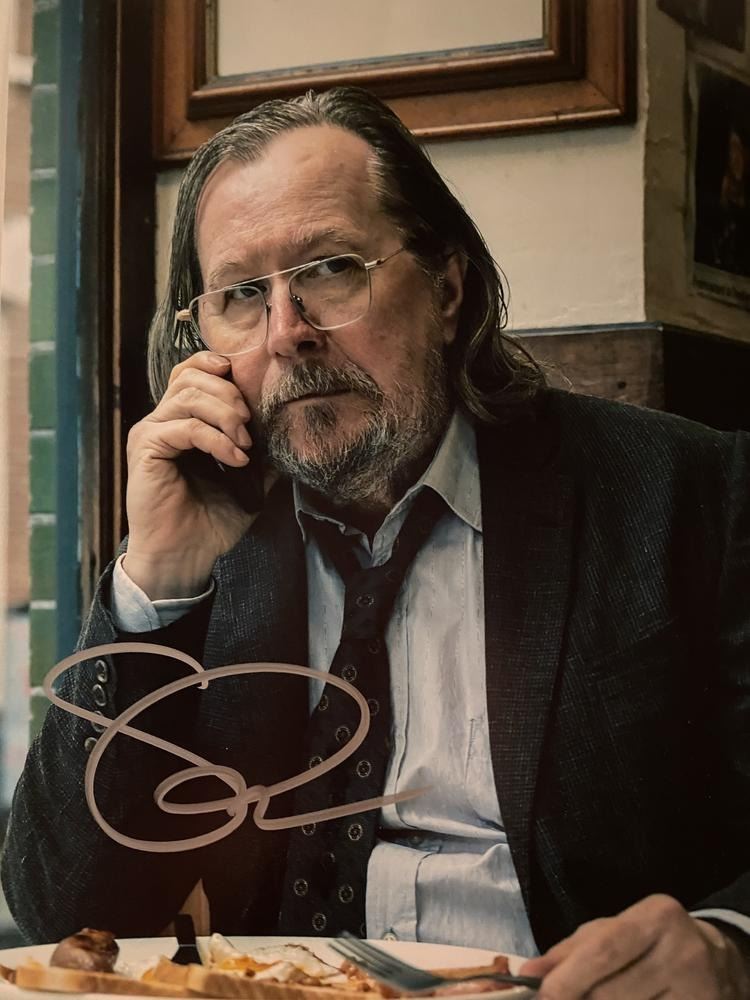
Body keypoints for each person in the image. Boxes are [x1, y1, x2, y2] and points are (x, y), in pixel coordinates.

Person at [2, 87, 749, 998]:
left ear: (447, 289)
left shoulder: (687, 493)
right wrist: (154, 582)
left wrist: (728, 942)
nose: (289, 334)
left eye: (331, 269)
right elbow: (65, 910)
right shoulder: (208, 540)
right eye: (243, 294)